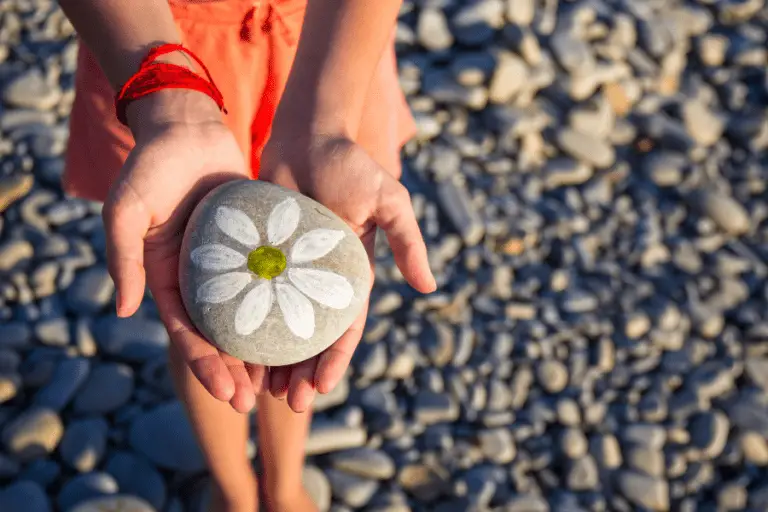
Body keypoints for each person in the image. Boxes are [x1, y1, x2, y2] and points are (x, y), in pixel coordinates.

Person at [58, 1, 437, 510]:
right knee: (203, 321)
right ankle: (233, 488)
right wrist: (170, 107)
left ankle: (283, 485)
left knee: (293, 343)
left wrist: (325, 121)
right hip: (150, 41)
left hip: (337, 48)